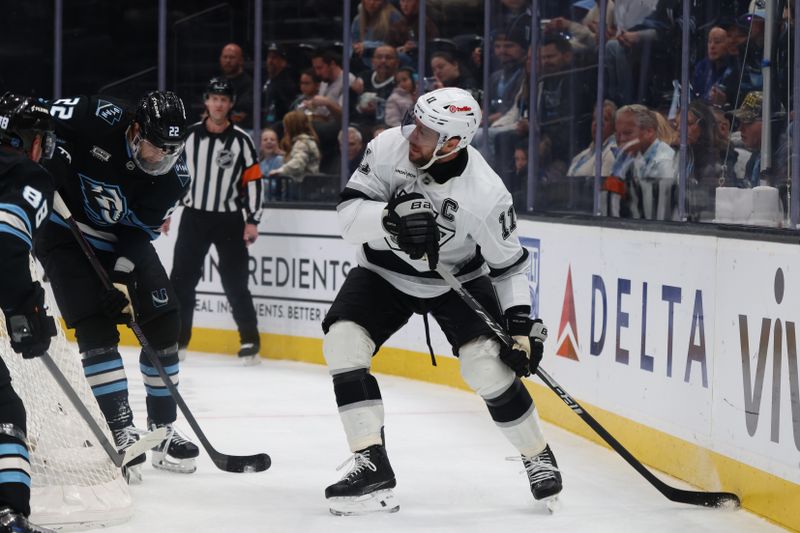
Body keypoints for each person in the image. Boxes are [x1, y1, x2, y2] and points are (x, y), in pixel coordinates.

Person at [321, 87, 560, 515]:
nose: (414, 135)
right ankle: (371, 462)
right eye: (416, 123)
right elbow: (347, 215)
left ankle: (536, 453)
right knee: (342, 342)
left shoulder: (486, 194)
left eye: (427, 132)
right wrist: (390, 218)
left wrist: (521, 327)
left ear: (453, 144)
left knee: (486, 366)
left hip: (456, 281)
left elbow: (508, 267)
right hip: (382, 272)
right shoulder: (387, 146)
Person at [35, 91, 199, 481]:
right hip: (63, 231)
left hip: (120, 239)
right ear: (135, 129)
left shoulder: (174, 179)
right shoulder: (98, 115)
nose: (160, 158)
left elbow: (137, 235)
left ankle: (161, 430)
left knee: (163, 320)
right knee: (94, 325)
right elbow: (35, 113)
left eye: (169, 150)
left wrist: (121, 277)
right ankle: (122, 428)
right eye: (154, 147)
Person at [170, 78, 263, 365]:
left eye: (224, 100)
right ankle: (178, 341)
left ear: (230, 104)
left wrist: (253, 220)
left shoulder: (241, 140)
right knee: (181, 282)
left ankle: (250, 341)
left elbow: (255, 182)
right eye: (214, 98)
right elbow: (172, 175)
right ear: (206, 101)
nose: (219, 104)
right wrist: (166, 211)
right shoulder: (189, 136)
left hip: (229, 220)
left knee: (236, 283)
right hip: (193, 217)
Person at [0, 92, 58, 533]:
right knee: (4, 409)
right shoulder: (28, 174)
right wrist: (26, 312)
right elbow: (6, 244)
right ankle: (7, 511)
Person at [608, 104, 676, 219]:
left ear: (649, 132)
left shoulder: (664, 162)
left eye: (627, 133)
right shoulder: (632, 158)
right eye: (618, 134)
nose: (621, 140)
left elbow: (660, 212)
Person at [269, 110, 321, 195]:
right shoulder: (304, 142)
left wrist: (280, 170)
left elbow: (298, 163)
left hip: (302, 192)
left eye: (286, 127)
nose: (284, 130)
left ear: (292, 127)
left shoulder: (302, 142)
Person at [261, 42, 298, 128]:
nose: (270, 61)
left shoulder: (287, 83)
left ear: (283, 62)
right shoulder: (264, 79)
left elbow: (287, 110)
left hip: (278, 126)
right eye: (269, 57)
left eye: (274, 58)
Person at [219, 43, 254, 129]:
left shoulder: (249, 84)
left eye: (232, 57)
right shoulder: (217, 82)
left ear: (241, 60)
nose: (228, 61)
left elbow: (239, 115)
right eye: (225, 57)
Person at [259, 128, 285, 201]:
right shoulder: (261, 163)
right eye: (265, 139)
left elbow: (278, 186)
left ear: (277, 143)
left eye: (272, 139)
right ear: (260, 144)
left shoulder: (280, 159)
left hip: (277, 203)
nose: (269, 142)